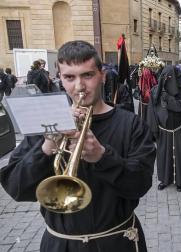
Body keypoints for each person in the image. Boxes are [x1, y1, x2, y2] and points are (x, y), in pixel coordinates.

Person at [0, 40, 156, 252]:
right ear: (60, 78)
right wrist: (47, 145)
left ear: (101, 74)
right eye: (69, 77)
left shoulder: (131, 124)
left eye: (87, 75)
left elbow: (140, 185)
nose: (79, 86)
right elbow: (16, 188)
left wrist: (102, 156)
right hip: (61, 244)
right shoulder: (45, 123)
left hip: (117, 241)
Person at [147, 65, 181, 192]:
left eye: (169, 77)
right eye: (164, 77)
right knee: (163, 155)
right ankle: (164, 180)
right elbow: (151, 111)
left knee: (179, 155)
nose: (166, 80)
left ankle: (180, 181)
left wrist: (167, 98)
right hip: (163, 130)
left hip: (178, 129)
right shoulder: (156, 91)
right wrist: (153, 130)